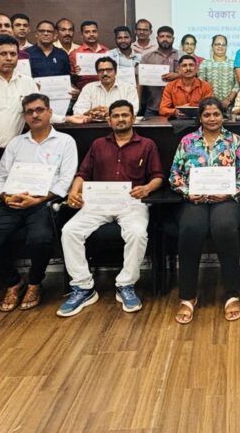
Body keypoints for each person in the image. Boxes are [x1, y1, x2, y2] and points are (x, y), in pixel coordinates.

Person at [0, 93, 77, 313]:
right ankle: (13, 282)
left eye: (39, 110)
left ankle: (34, 283)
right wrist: (5, 197)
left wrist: (39, 199)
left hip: (43, 204)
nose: (35, 115)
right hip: (12, 203)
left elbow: (65, 180)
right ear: (24, 116)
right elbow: (0, 177)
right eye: (29, 112)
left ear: (49, 112)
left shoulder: (65, 142)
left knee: (40, 239)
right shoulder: (16, 143)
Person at [59, 99, 165, 316]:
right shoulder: (98, 144)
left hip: (132, 202)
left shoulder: (147, 145)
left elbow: (158, 176)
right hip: (98, 202)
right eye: (116, 116)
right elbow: (83, 173)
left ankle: (126, 284)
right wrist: (74, 192)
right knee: (69, 231)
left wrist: (146, 188)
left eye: (125, 115)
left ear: (133, 118)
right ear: (109, 120)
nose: (120, 119)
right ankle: (83, 287)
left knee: (137, 233)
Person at [169, 97, 240, 324]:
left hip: (226, 198)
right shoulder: (187, 141)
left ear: (223, 116)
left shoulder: (234, 140)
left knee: (224, 228)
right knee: (191, 229)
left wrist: (230, 192)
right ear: (200, 117)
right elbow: (174, 173)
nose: (212, 119)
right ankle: (188, 296)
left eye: (216, 114)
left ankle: (232, 294)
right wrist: (187, 192)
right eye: (207, 115)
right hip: (194, 199)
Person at [69, 56, 139, 122]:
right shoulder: (89, 88)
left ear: (115, 72)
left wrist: (111, 112)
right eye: (101, 70)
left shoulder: (128, 88)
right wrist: (90, 112)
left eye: (109, 70)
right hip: (93, 127)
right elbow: (77, 111)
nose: (105, 73)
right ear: (97, 73)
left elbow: (134, 110)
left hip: (120, 125)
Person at [140, 25, 181, 116]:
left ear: (173, 39)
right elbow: (140, 82)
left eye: (168, 37)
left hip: (175, 108)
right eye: (162, 36)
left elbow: (191, 74)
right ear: (157, 38)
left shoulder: (181, 55)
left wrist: (178, 75)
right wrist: (138, 103)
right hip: (152, 106)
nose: (165, 39)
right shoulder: (147, 57)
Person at [68, 19, 110, 91]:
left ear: (98, 33)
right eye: (87, 32)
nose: (91, 34)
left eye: (94, 31)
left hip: (105, 89)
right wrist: (75, 74)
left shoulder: (107, 51)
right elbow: (70, 79)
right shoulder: (74, 54)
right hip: (84, 91)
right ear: (82, 35)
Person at [199, 34, 238, 110]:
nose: (220, 47)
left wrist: (229, 99)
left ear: (226, 47)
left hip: (230, 106)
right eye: (217, 44)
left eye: (223, 45)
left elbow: (237, 84)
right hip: (210, 106)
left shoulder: (234, 63)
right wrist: (213, 101)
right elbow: (201, 84)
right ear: (212, 46)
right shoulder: (205, 63)